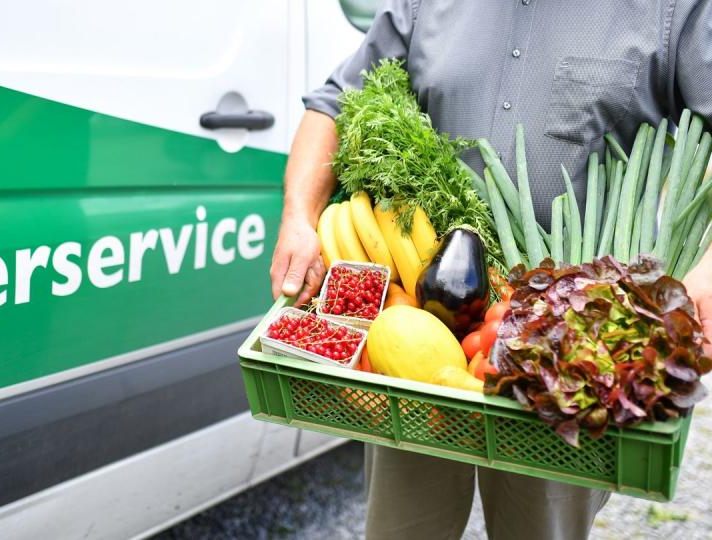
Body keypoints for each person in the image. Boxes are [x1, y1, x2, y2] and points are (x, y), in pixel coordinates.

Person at [269, 1, 712, 538]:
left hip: (567, 358)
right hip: (419, 324)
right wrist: (298, 215)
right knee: (403, 527)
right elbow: (336, 102)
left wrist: (706, 270)